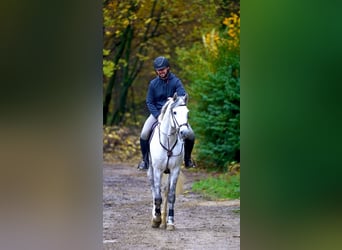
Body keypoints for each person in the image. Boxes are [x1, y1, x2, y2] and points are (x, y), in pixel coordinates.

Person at [137, 56, 195, 170]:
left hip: (173, 114)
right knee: (144, 133)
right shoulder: (153, 84)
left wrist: (177, 99)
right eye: (158, 70)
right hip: (157, 113)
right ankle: (145, 160)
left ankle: (187, 159)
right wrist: (157, 115)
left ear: (168, 68)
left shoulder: (176, 81)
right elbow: (149, 101)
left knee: (191, 135)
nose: (161, 72)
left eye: (162, 69)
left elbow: (182, 95)